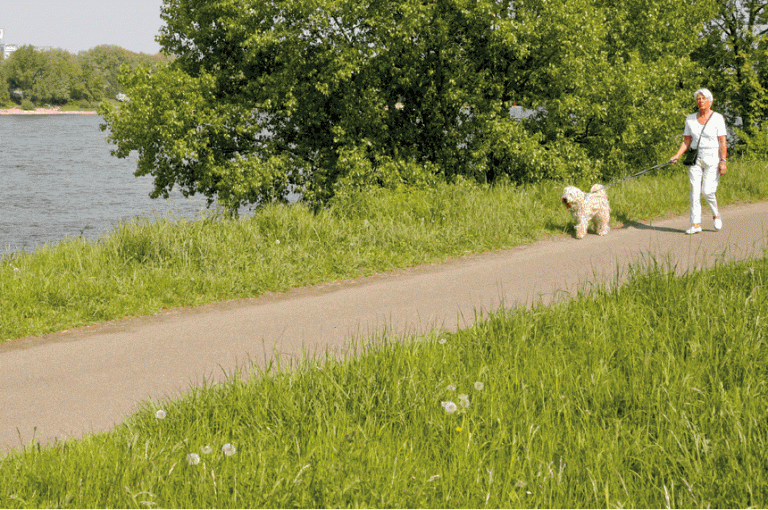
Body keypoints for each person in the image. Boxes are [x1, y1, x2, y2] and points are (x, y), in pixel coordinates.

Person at [671, 88, 728, 234]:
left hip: (712, 157)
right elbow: (686, 141)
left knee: (707, 191)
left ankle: (716, 214)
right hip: (695, 158)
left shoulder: (717, 118)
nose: (700, 101)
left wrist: (723, 161)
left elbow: (722, 142)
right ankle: (695, 224)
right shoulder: (690, 119)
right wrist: (677, 155)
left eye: (703, 98)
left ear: (710, 101)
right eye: (698, 99)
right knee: (694, 192)